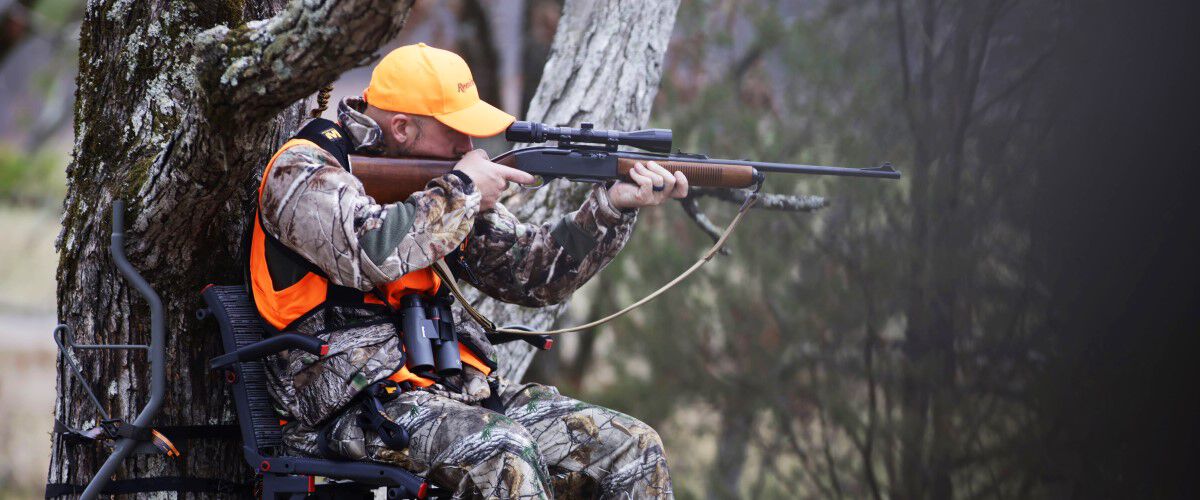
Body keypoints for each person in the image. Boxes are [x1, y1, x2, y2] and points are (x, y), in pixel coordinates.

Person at [250, 42, 686, 498]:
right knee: (503, 453)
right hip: (345, 409)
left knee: (630, 446)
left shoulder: (440, 184)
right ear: (401, 127)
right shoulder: (304, 170)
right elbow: (370, 249)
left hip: (451, 389)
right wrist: (462, 191)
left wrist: (611, 208)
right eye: (458, 132)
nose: (471, 147)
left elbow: (530, 273)